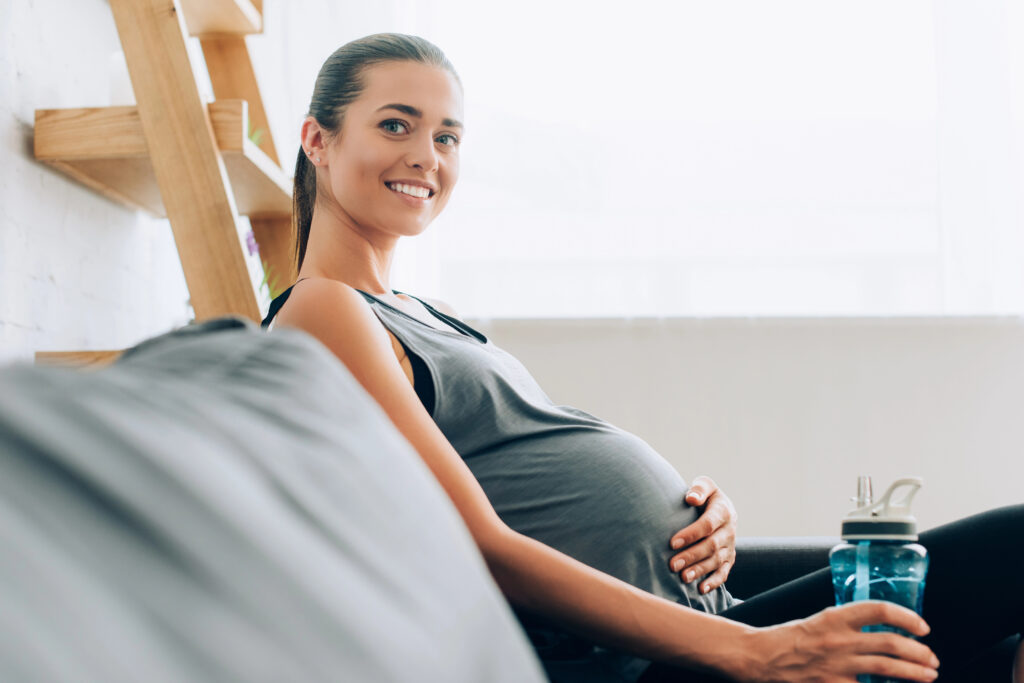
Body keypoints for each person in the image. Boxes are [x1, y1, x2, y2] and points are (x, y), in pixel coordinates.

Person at [262, 33, 1023, 682]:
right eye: (396, 125)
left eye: (447, 136)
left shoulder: (426, 317)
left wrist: (692, 518)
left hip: (709, 612)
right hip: (658, 660)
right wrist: (758, 651)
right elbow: (482, 546)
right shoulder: (325, 308)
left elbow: (545, 489)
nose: (426, 157)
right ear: (317, 140)